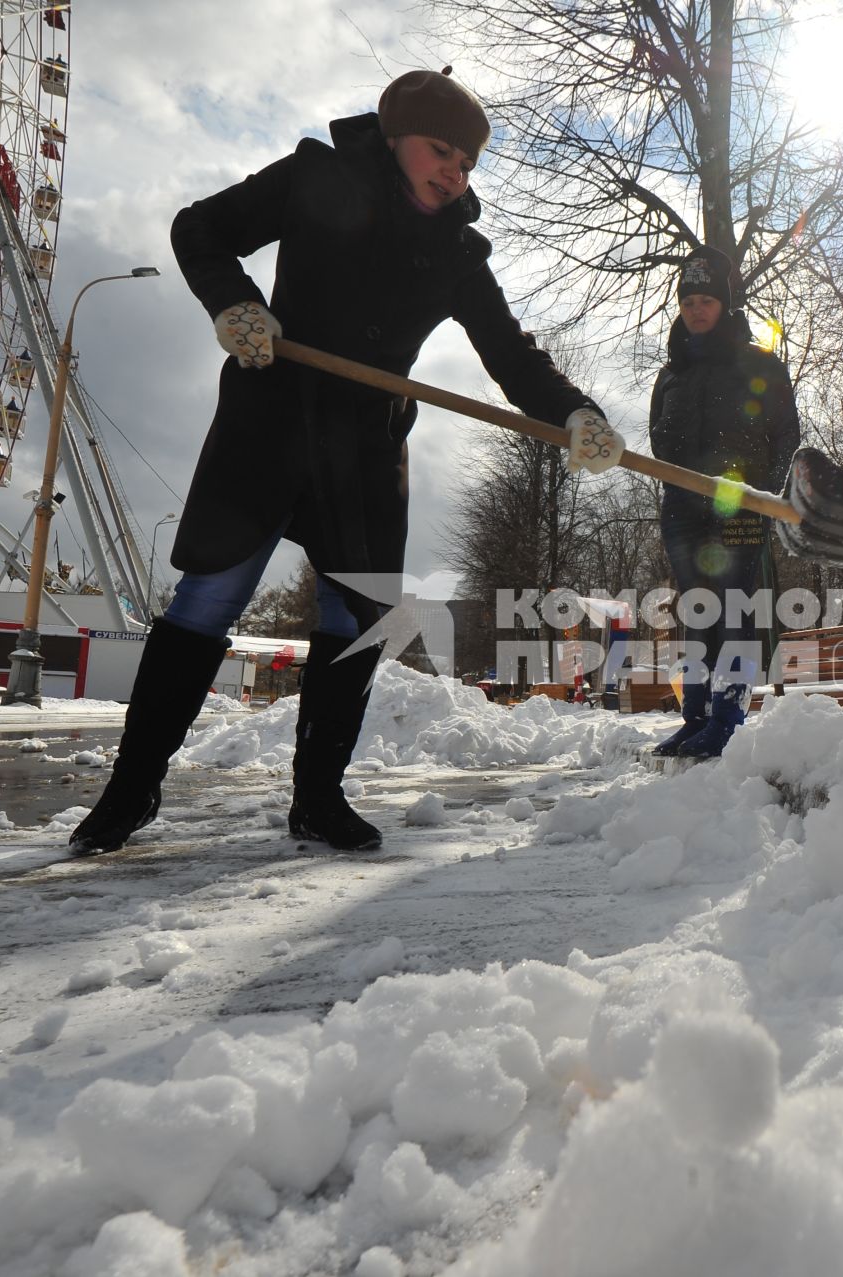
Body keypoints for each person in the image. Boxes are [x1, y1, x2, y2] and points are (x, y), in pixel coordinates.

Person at [70, 68, 619, 855]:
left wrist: (576, 414)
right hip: (271, 419)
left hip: (364, 451)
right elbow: (200, 228)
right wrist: (233, 303)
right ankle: (131, 788)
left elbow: (512, 353)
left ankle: (319, 798)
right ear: (395, 138)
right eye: (440, 152)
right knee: (209, 597)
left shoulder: (458, 251)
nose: (454, 174)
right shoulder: (312, 177)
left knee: (351, 620)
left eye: (467, 163)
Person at [647, 247, 800, 758]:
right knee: (697, 611)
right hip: (683, 510)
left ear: (724, 304)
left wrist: (762, 496)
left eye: (706, 298)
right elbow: (656, 439)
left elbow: (785, 436)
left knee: (734, 609)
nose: (696, 309)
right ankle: (696, 716)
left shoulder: (758, 363)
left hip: (739, 509)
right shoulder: (671, 374)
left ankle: (728, 717)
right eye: (689, 300)